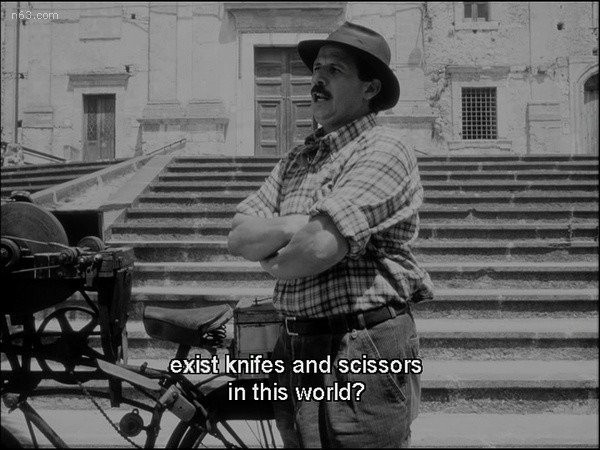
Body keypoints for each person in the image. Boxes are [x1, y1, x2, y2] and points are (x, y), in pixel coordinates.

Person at [227, 21, 434, 448]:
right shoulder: (295, 159)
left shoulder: (384, 148)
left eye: (334, 70)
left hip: (361, 347)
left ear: (370, 88)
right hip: (293, 347)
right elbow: (238, 237)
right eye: (317, 69)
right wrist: (295, 224)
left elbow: (317, 249)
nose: (317, 79)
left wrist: (276, 255)